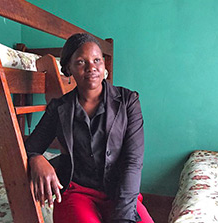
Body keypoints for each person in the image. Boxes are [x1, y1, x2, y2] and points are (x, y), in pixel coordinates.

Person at [25, 33, 154, 223]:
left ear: (104, 65)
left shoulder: (128, 102)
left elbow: (133, 162)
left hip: (118, 190)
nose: (91, 67)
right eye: (80, 62)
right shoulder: (59, 108)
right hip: (77, 192)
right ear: (68, 68)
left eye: (96, 60)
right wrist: (37, 158)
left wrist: (123, 217)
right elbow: (31, 147)